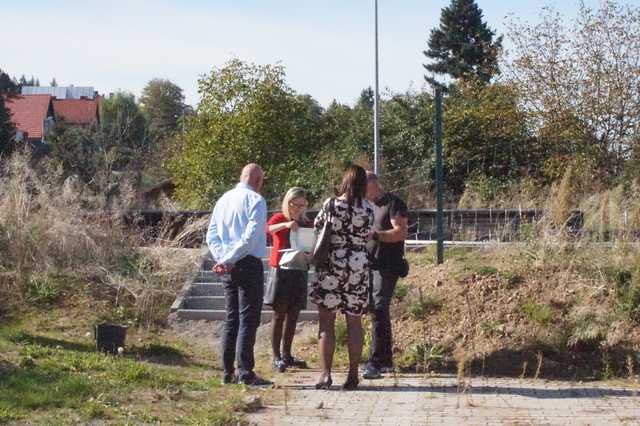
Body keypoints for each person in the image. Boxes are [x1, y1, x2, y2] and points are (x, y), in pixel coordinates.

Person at [206, 163, 272, 386]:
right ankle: (245, 371)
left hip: (227, 263)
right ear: (258, 181)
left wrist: (222, 259)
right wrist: (230, 260)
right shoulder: (256, 201)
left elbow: (212, 235)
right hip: (246, 262)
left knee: (231, 318)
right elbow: (250, 237)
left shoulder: (223, 199)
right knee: (248, 318)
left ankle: (227, 371)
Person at [310, 165, 375, 390]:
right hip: (358, 267)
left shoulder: (331, 204)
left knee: (326, 323)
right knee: (354, 323)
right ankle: (353, 375)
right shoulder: (368, 209)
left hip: (331, 266)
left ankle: (326, 375)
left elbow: (318, 227)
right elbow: (368, 235)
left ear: (345, 181)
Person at [362, 171, 409, 380]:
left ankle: (375, 362)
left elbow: (400, 232)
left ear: (374, 184)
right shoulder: (366, 206)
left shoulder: (393, 203)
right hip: (370, 264)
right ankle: (386, 359)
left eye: (364, 187)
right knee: (376, 309)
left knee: (379, 308)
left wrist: (375, 235)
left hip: (388, 266)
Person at [266, 187, 311, 373]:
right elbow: (267, 229)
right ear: (288, 203)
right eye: (295, 205)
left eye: (302, 205)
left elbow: (311, 242)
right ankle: (276, 356)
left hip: (299, 268)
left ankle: (287, 354)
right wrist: (286, 225)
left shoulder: (306, 222)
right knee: (279, 313)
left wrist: (310, 253)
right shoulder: (279, 218)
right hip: (281, 269)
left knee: (294, 314)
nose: (298, 208)